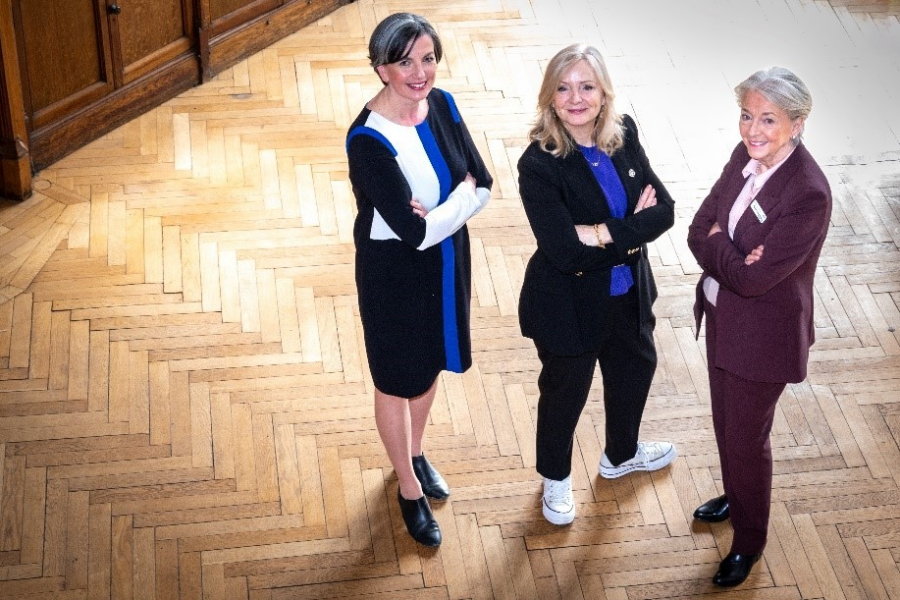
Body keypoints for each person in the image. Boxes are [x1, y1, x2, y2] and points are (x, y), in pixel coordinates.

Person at [345, 13, 492, 547]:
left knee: (429, 365)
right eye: (405, 61)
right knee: (395, 379)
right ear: (382, 67)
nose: (420, 71)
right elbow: (412, 233)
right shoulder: (367, 140)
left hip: (446, 262)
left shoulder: (445, 106)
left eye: (428, 58)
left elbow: (486, 184)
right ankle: (409, 490)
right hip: (393, 277)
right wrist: (457, 199)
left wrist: (439, 216)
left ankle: (414, 453)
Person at [517, 44, 677, 527]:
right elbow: (564, 251)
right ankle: (556, 478)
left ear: (604, 92)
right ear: (549, 97)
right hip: (568, 301)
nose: (576, 98)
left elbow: (664, 211)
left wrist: (603, 231)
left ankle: (621, 455)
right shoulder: (539, 164)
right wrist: (631, 225)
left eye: (587, 86)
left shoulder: (622, 134)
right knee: (565, 392)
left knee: (635, 371)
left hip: (627, 292)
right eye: (563, 88)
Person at [687, 67, 831, 587]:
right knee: (728, 426)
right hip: (723, 316)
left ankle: (749, 541)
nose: (753, 130)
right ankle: (738, 491)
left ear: (797, 123)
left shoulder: (808, 193)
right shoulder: (743, 155)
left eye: (768, 119)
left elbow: (755, 280)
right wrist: (731, 249)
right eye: (747, 115)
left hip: (763, 338)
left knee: (747, 438)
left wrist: (721, 243)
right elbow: (697, 228)